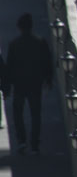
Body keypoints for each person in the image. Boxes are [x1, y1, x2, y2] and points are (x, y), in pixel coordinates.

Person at [5, 13, 52, 155]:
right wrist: (48, 80)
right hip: (35, 84)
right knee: (35, 114)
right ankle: (35, 144)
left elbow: (9, 67)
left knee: (18, 114)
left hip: (19, 85)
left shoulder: (14, 44)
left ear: (19, 27)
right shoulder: (40, 42)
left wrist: (7, 87)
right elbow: (47, 63)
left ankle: (21, 141)